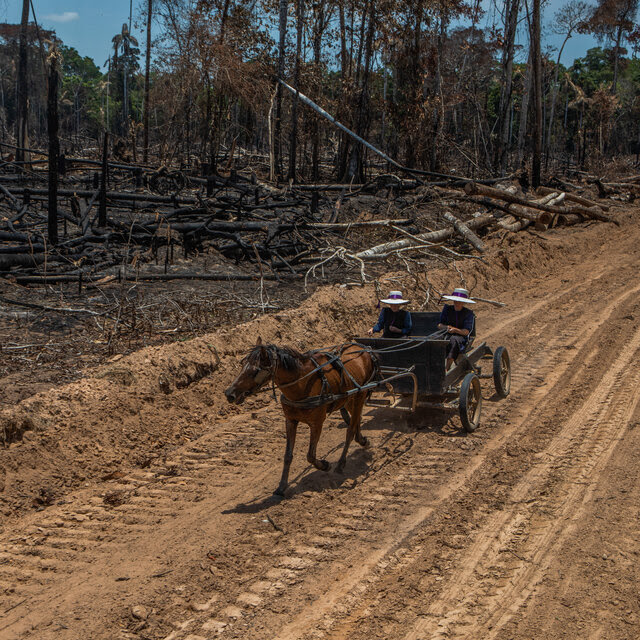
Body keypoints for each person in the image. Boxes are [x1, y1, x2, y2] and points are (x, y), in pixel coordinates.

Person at [437, 288, 476, 370]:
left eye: (460, 301)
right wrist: (446, 327)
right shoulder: (447, 309)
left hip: (460, 337)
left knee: (454, 340)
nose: (457, 303)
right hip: (446, 334)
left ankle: (447, 368)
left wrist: (455, 330)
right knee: (435, 339)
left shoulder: (468, 313)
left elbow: (466, 332)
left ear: (463, 302)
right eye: (456, 301)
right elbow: (440, 325)